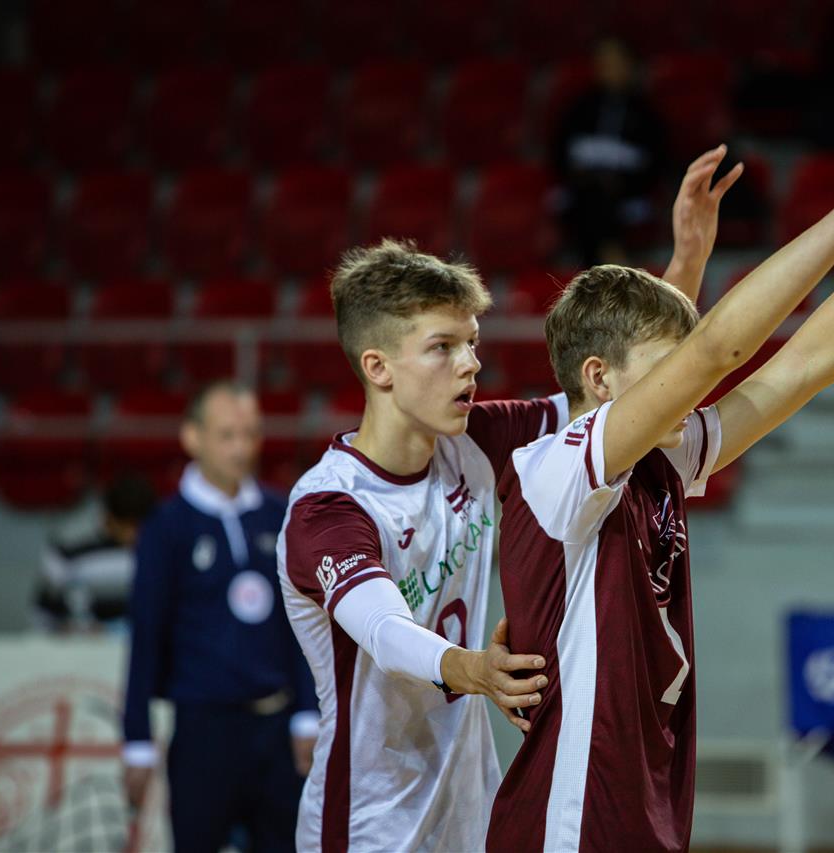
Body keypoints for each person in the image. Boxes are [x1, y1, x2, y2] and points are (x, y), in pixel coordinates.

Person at [487, 78, 834, 851]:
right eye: (668, 367)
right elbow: (721, 348)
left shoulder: (660, 459)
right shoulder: (557, 467)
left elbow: (808, 363)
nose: (690, 384)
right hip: (569, 821)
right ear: (599, 380)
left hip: (640, 801)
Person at [277, 152, 738, 852]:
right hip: (366, 823)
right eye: (442, 347)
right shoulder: (327, 505)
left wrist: (686, 265)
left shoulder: (476, 439)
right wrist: (474, 668)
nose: (471, 363)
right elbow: (384, 630)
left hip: (469, 809)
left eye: (472, 342)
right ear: (378, 367)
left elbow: (624, 396)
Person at [123, 381, 317, 853]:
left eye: (250, 434)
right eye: (227, 435)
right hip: (203, 730)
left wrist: (308, 713)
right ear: (193, 437)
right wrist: (137, 741)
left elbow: (302, 623)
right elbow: (146, 637)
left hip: (277, 727)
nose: (241, 448)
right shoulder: (166, 528)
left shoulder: (280, 514)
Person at [551, 37, 669, 265]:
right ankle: (612, 256)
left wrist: (621, 181)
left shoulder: (646, 112)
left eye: (616, 62)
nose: (610, 69)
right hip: (583, 189)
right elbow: (560, 155)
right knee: (591, 196)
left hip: (628, 193)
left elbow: (656, 163)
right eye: (604, 63)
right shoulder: (579, 107)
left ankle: (598, 267)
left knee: (597, 199)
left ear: (630, 65)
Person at [34, 472, 157, 632]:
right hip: (80, 646)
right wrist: (73, 631)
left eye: (139, 526)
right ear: (108, 517)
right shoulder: (68, 551)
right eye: (126, 525)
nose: (133, 535)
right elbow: (43, 617)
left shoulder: (163, 553)